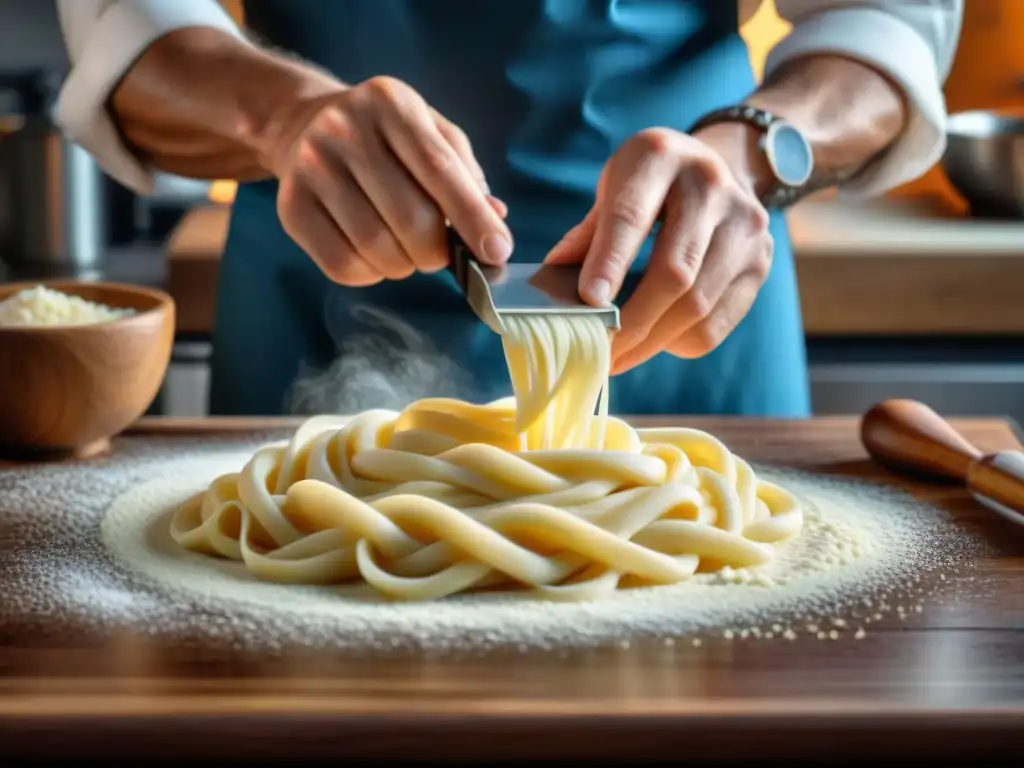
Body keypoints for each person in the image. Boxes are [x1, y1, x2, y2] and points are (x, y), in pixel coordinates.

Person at [55, 0, 963, 418]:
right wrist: (288, 117)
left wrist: (755, 148)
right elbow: (122, 29)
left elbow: (884, 23)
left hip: (690, 294)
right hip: (318, 277)